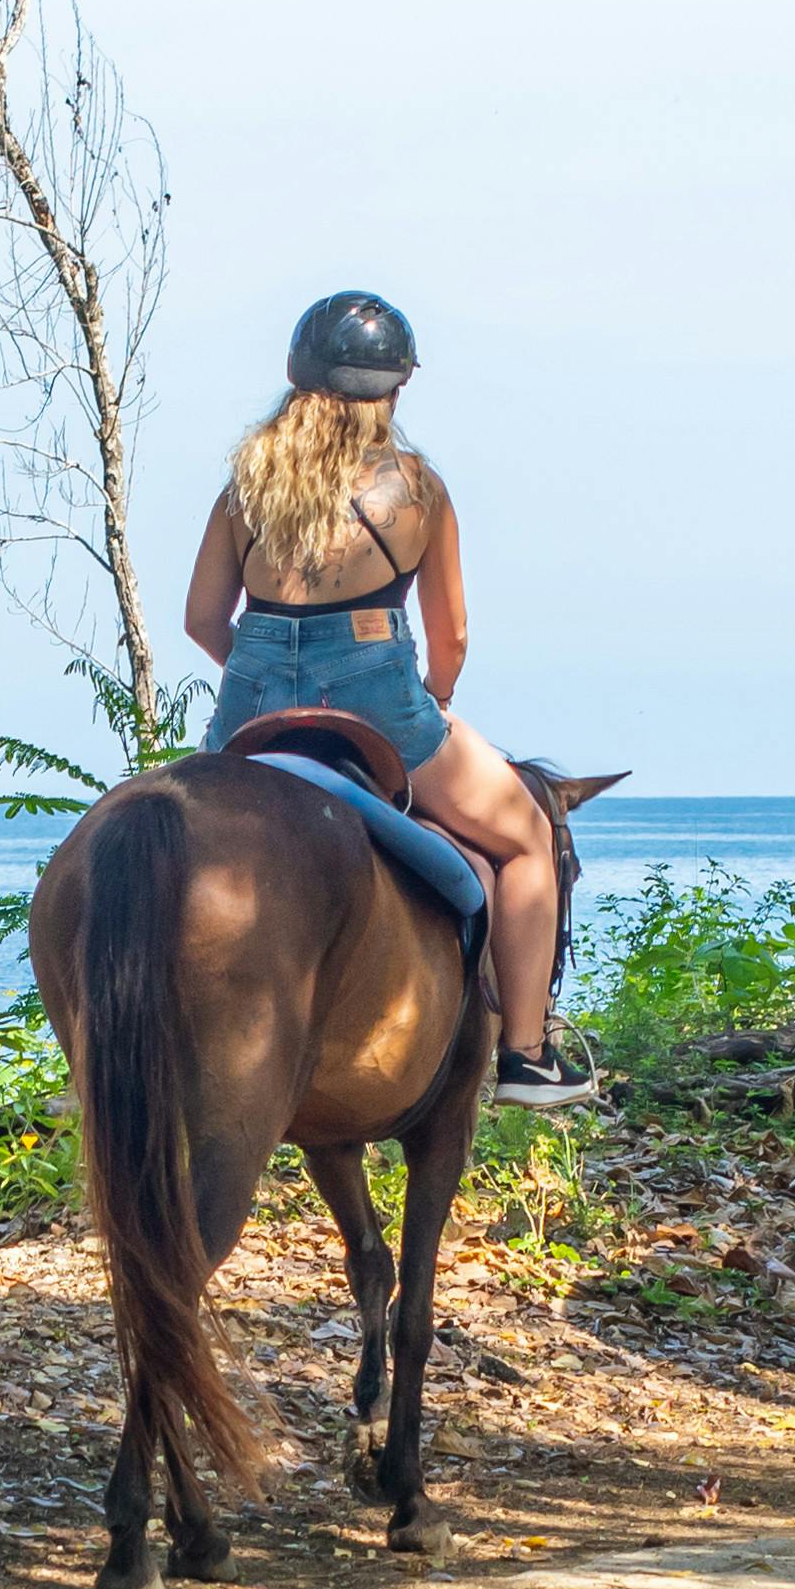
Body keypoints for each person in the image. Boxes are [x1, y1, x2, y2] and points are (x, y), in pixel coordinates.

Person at [178, 291, 591, 1108]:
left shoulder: (246, 487)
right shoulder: (418, 492)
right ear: (392, 394)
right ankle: (527, 1053)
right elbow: (454, 639)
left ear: (296, 387)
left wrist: (261, 676)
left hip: (251, 704)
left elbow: (200, 620)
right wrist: (432, 701)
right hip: (377, 697)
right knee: (526, 837)